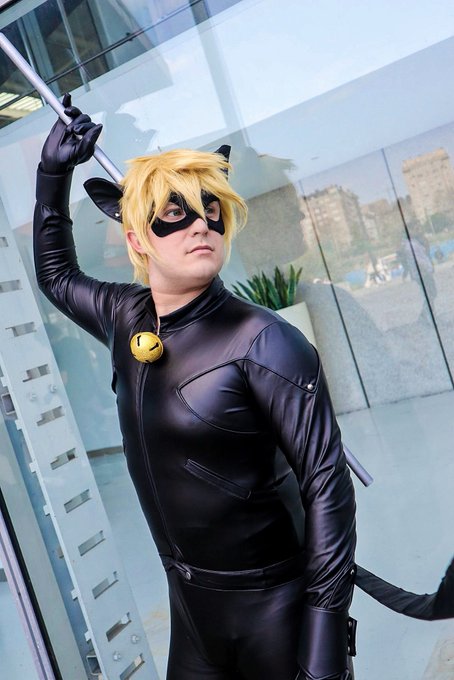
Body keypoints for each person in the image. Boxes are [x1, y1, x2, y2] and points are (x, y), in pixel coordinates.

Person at [34, 96, 356, 680]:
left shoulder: (265, 341)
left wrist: (325, 640)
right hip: (192, 613)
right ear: (137, 239)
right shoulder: (127, 316)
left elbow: (327, 490)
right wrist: (51, 175)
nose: (201, 224)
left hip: (276, 610)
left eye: (212, 211)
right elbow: (56, 276)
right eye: (174, 214)